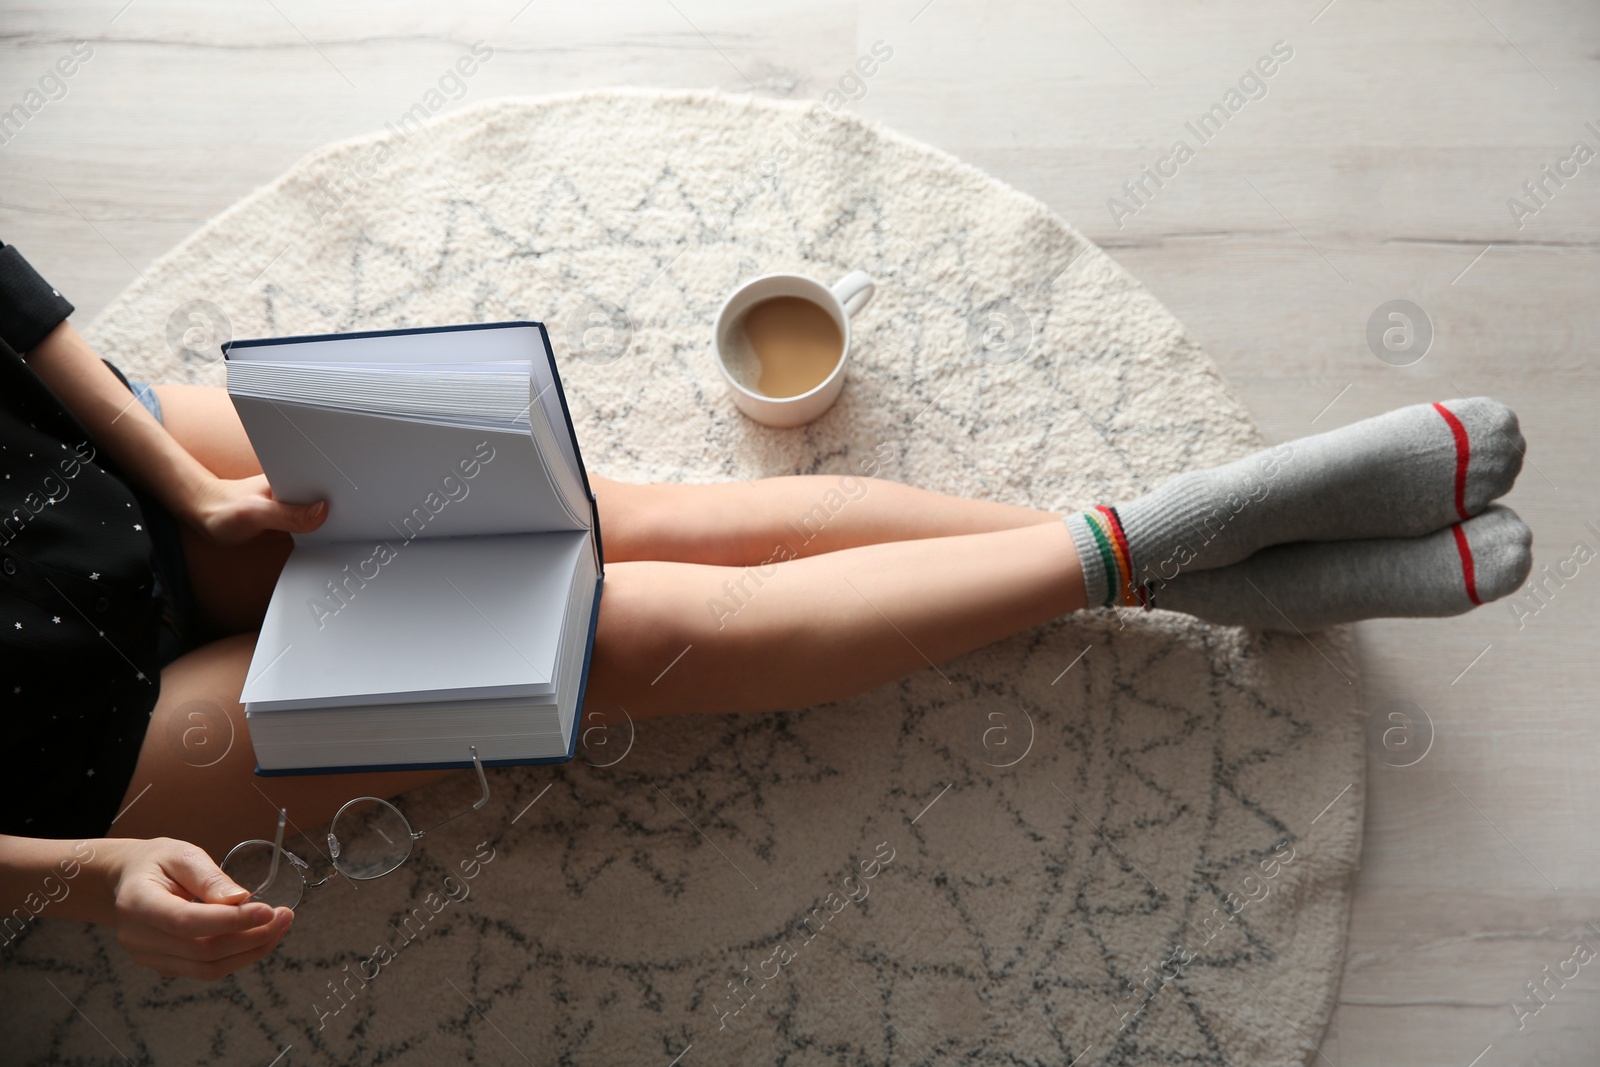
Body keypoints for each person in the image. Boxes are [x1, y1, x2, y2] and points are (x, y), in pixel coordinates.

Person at [0, 243, 1532, 981]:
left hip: (96, 478)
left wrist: (173, 477)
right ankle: (1190, 537)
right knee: (607, 635)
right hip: (76, 752)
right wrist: (95, 880)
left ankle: (1207, 562)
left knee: (631, 523)